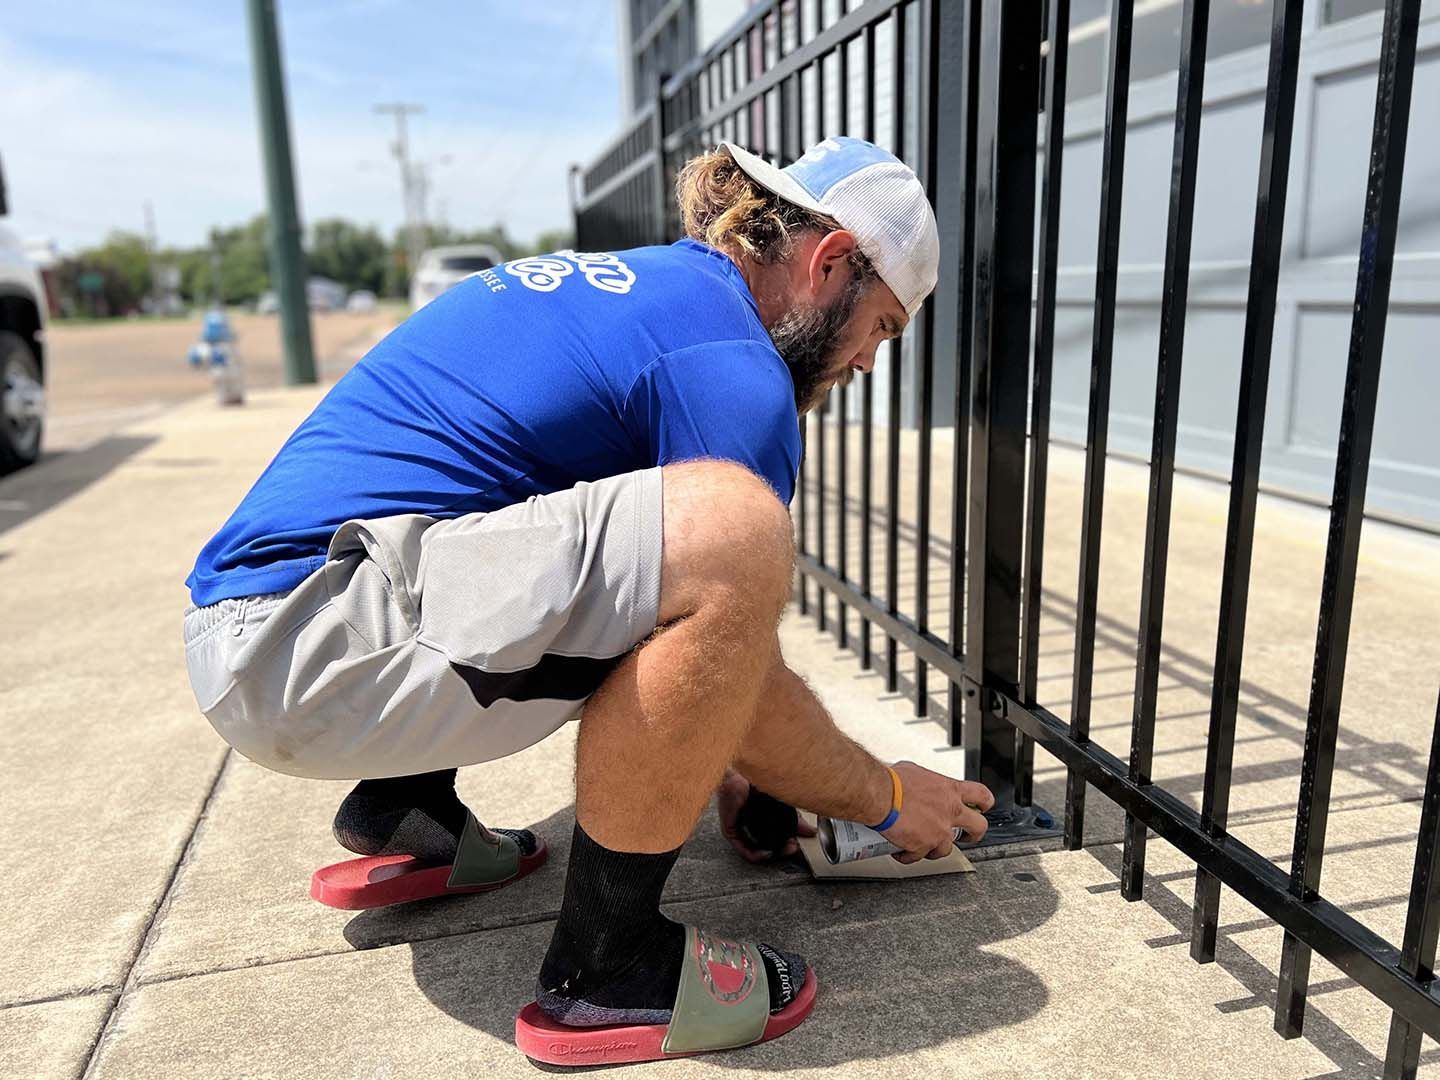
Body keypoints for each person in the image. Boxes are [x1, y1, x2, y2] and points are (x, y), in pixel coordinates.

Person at [182, 136, 995, 1065]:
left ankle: (407, 816)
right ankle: (610, 974)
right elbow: (731, 635)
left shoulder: (641, 294)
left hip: (267, 628)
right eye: (883, 327)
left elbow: (620, 584)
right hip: (310, 651)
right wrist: (887, 800)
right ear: (832, 262)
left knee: (577, 519)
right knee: (735, 530)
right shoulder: (730, 361)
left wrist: (733, 763)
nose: (866, 365)